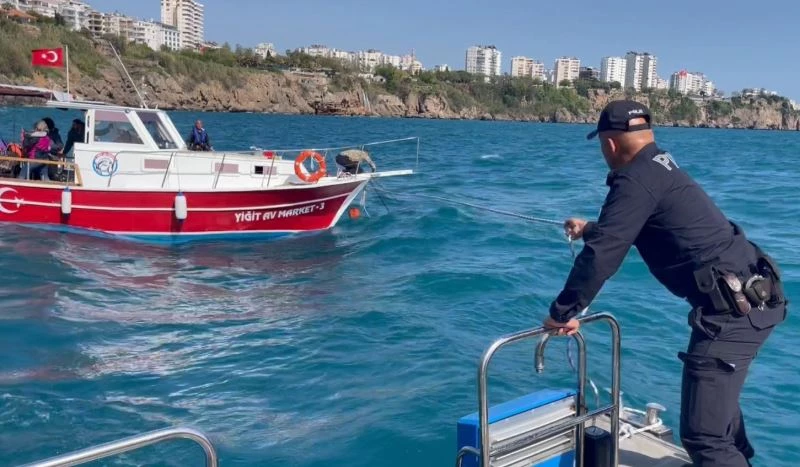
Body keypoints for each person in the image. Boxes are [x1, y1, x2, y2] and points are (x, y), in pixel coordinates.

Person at [543, 100, 787, 467]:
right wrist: (591, 229)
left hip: (732, 313)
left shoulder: (634, 179)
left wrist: (562, 313)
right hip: (758, 296)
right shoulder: (661, 166)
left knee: (704, 435)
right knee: (717, 417)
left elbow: (603, 255)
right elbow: (649, 227)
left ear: (609, 144)